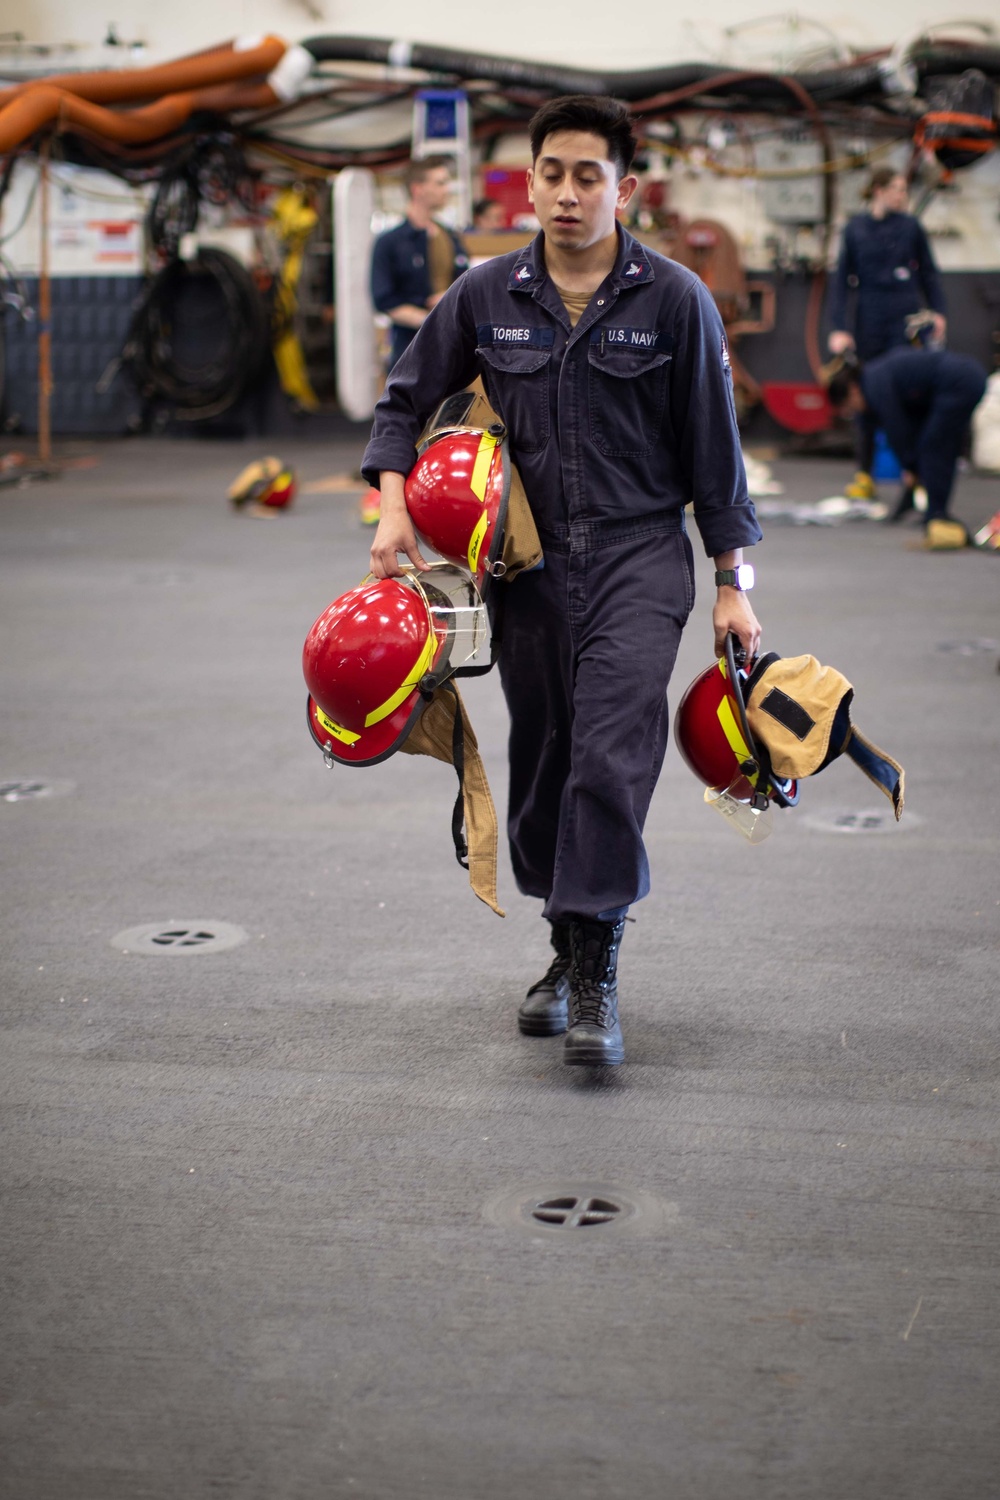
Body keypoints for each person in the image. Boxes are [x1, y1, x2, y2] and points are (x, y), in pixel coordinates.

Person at [361, 95, 761, 1067]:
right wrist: (391, 502)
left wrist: (732, 581)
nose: (569, 193)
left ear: (623, 189)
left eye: (589, 176)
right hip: (525, 570)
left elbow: (718, 457)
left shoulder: (671, 299)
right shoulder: (487, 294)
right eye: (552, 174)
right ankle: (566, 943)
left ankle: (596, 972)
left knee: (609, 756)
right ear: (530, 183)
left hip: (637, 556)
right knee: (544, 757)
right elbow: (403, 401)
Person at [828, 168, 947, 499]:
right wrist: (839, 327)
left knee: (906, 395)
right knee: (866, 395)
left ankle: (914, 475)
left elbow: (930, 275)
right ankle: (865, 475)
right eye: (896, 189)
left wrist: (939, 313)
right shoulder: (855, 229)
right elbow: (841, 283)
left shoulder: (911, 227)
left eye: (903, 190)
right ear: (877, 190)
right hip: (870, 321)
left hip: (904, 320)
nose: (901, 196)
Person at [825, 347, 985, 545]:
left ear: (853, 390)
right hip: (960, 380)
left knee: (935, 447)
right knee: (934, 445)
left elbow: (897, 428)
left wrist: (909, 466)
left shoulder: (876, 385)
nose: (853, 412)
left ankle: (936, 514)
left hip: (961, 382)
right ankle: (932, 510)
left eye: (849, 407)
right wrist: (911, 465)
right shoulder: (874, 378)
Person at [370, 156, 470, 371]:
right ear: (418, 189)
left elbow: (467, 283)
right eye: (440, 183)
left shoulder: (450, 237)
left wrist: (449, 297)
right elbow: (384, 299)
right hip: (410, 352)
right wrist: (428, 322)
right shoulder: (390, 243)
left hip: (453, 350)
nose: (447, 189)